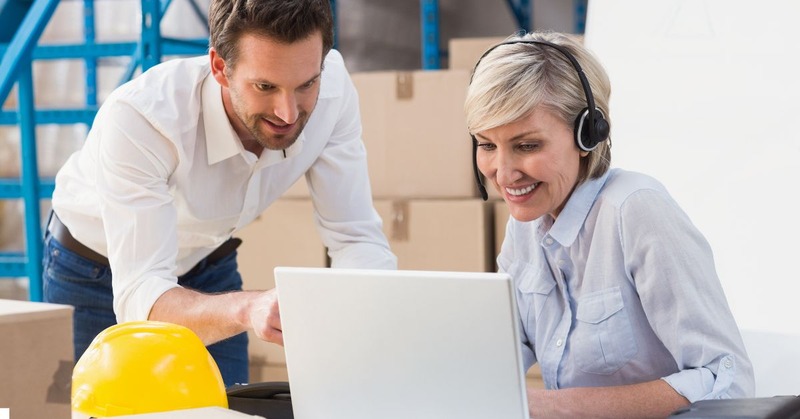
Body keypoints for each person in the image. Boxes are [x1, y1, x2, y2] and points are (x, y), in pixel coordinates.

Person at [43, 0, 396, 387]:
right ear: (219, 68)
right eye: (265, 87)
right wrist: (248, 308)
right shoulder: (142, 118)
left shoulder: (334, 91)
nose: (289, 113)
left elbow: (357, 238)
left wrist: (364, 315)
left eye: (306, 84)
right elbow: (141, 299)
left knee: (228, 408)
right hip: (94, 270)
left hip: (206, 263)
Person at [465, 31, 754, 418]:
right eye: (486, 145)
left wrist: (556, 409)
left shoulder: (637, 211)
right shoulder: (527, 224)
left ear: (589, 133)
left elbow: (727, 380)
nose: (502, 173)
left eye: (527, 146)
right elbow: (501, 353)